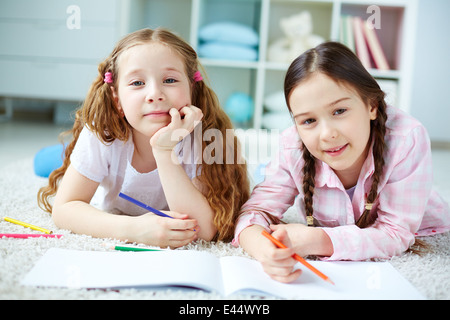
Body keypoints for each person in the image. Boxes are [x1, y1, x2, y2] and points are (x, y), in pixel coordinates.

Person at [233, 42, 450, 283]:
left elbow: (395, 233)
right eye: (308, 121)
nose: (327, 134)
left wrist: (317, 239)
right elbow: (256, 211)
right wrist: (265, 250)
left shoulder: (406, 138)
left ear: (372, 106)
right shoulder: (292, 145)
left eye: (339, 111)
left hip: (425, 226)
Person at [38, 28, 249, 247]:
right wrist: (133, 229)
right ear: (117, 99)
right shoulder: (102, 132)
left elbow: (204, 230)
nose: (155, 94)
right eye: (138, 83)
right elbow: (64, 209)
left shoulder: (207, 137)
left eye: (169, 80)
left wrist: (164, 151)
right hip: (109, 146)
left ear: (192, 89)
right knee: (45, 162)